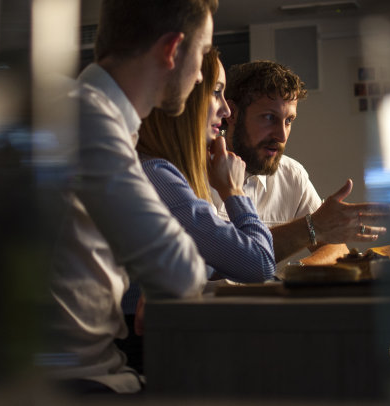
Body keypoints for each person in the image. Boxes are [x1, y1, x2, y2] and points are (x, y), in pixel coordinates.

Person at [48, 0, 218, 394]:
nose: (199, 77)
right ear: (172, 50)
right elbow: (178, 269)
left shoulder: (82, 110)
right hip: (81, 384)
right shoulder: (88, 116)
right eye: (203, 53)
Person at [118, 48, 276, 374]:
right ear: (183, 100)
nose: (227, 110)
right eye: (216, 92)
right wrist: (233, 191)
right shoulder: (157, 174)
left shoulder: (157, 169)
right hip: (136, 351)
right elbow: (259, 264)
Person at [212, 60, 390, 265]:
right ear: (232, 113)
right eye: (269, 117)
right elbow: (214, 257)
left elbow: (333, 246)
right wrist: (311, 227)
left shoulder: (291, 175)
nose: (281, 135)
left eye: (289, 121)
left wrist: (297, 274)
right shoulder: (192, 169)